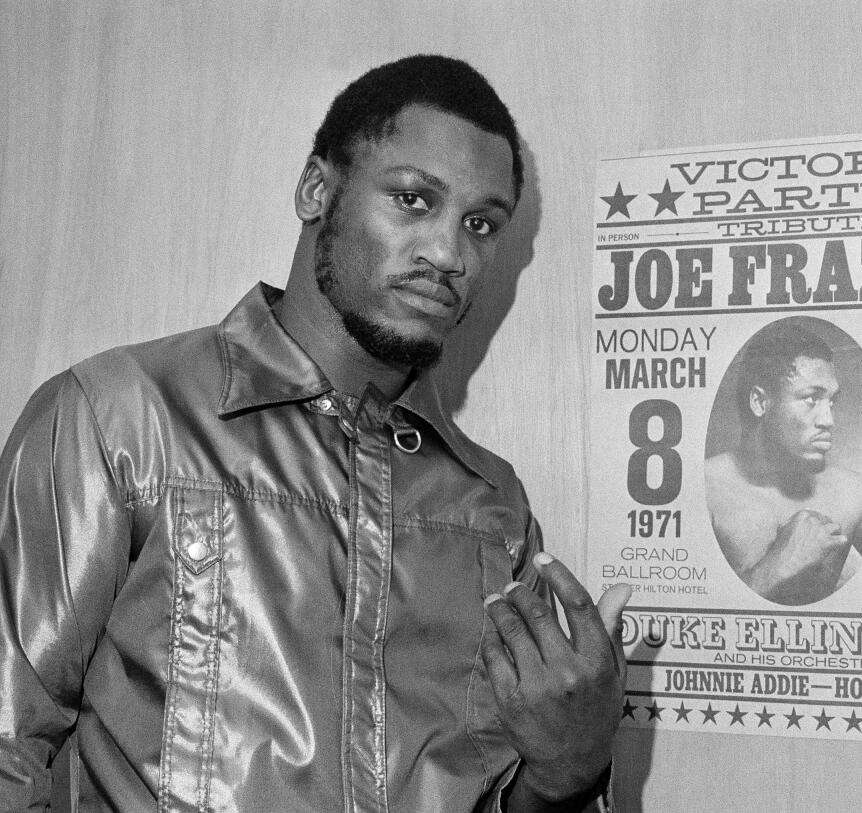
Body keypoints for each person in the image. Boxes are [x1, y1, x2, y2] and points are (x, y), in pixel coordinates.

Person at [0, 55, 629, 812]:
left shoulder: (491, 507)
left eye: (480, 223)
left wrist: (566, 773)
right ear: (316, 189)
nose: (448, 254)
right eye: (412, 198)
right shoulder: (119, 418)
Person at [705, 322, 862, 605]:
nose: (828, 420)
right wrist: (777, 569)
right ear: (759, 402)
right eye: (811, 398)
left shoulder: (860, 497)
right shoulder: (704, 491)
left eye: (831, 402)